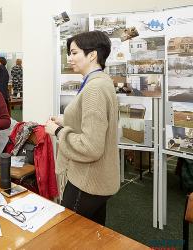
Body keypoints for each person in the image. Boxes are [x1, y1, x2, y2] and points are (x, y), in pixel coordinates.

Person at [45, 31, 119, 226]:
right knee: (92, 235)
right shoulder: (100, 81)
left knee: (68, 234)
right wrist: (66, 119)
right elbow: (93, 121)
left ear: (92, 55)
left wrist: (58, 131)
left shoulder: (94, 88)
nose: (70, 58)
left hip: (87, 181)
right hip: (97, 179)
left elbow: (91, 146)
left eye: (74, 53)